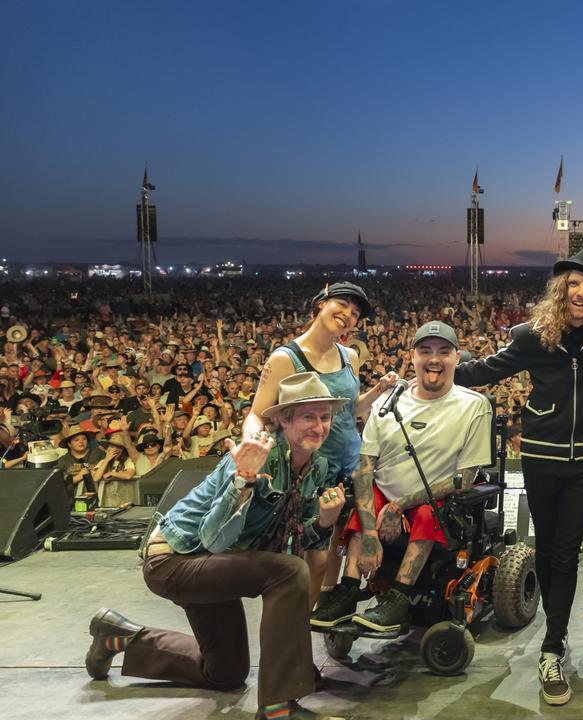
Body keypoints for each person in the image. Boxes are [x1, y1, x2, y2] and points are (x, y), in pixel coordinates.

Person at [85, 372, 349, 720]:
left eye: (324, 417)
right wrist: (242, 481)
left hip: (216, 564)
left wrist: (326, 521)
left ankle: (118, 637)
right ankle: (278, 707)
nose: (318, 426)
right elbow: (214, 539)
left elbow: (294, 535)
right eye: (308, 417)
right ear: (284, 420)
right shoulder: (255, 455)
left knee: (225, 673)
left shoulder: (316, 467)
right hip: (174, 560)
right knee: (289, 572)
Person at [454, 249, 583, 706]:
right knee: (547, 550)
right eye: (574, 284)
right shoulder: (531, 337)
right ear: (560, 290)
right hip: (541, 459)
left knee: (565, 555)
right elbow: (485, 370)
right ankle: (556, 634)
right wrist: (438, 372)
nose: (581, 292)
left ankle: (552, 646)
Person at [310, 321, 492, 633]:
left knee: (426, 511)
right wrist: (370, 534)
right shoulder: (386, 403)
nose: (434, 359)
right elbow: (365, 468)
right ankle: (349, 589)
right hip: (386, 495)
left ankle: (399, 598)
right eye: (425, 351)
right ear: (412, 357)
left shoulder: (474, 406)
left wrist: (401, 505)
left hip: (432, 501)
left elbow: (465, 477)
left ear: (457, 357)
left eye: (443, 352)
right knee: (363, 503)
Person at [242, 282, 398, 606]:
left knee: (338, 544)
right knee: (313, 558)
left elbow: (349, 410)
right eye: (341, 305)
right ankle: (295, 625)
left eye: (355, 314)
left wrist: (376, 392)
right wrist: (251, 445)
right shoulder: (286, 358)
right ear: (320, 304)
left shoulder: (350, 355)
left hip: (350, 460)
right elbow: (257, 414)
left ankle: (320, 614)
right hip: (310, 467)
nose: (348, 316)